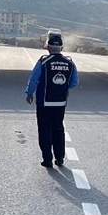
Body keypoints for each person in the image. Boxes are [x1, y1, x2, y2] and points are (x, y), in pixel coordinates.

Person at [25, 33, 79, 168]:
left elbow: (33, 80)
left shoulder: (43, 62)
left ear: (47, 47)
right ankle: (60, 157)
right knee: (58, 129)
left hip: (44, 103)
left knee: (44, 130)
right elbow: (74, 83)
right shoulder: (70, 63)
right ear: (61, 47)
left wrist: (29, 93)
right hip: (60, 103)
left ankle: (47, 159)